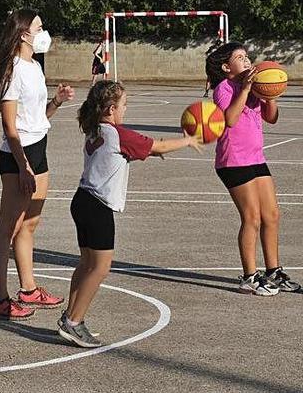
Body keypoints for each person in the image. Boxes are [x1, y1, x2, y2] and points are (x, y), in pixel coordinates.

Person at [59, 81, 202, 347]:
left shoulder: (95, 129)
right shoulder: (119, 133)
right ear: (112, 108)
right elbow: (156, 146)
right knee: (100, 268)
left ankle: (71, 316)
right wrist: (188, 140)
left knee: (86, 264)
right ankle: (74, 322)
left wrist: (147, 153)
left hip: (82, 201)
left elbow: (117, 156)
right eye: (124, 105)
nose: (126, 109)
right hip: (98, 206)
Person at [0, 9, 74, 321]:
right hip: (17, 156)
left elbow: (36, 119)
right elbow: (11, 127)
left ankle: (29, 288)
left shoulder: (34, 66)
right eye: (38, 27)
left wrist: (57, 102)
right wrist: (23, 166)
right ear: (24, 34)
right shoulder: (12, 71)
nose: (43, 32)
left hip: (39, 149)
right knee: (6, 229)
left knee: (30, 223)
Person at [205, 42, 300, 295]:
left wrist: (270, 96)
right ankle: (249, 276)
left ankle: (273, 271)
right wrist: (246, 89)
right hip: (233, 161)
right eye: (240, 57)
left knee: (272, 215)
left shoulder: (257, 88)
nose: (247, 61)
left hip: (256, 158)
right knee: (252, 218)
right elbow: (230, 119)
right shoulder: (224, 88)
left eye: (247, 57)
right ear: (227, 67)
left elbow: (271, 117)